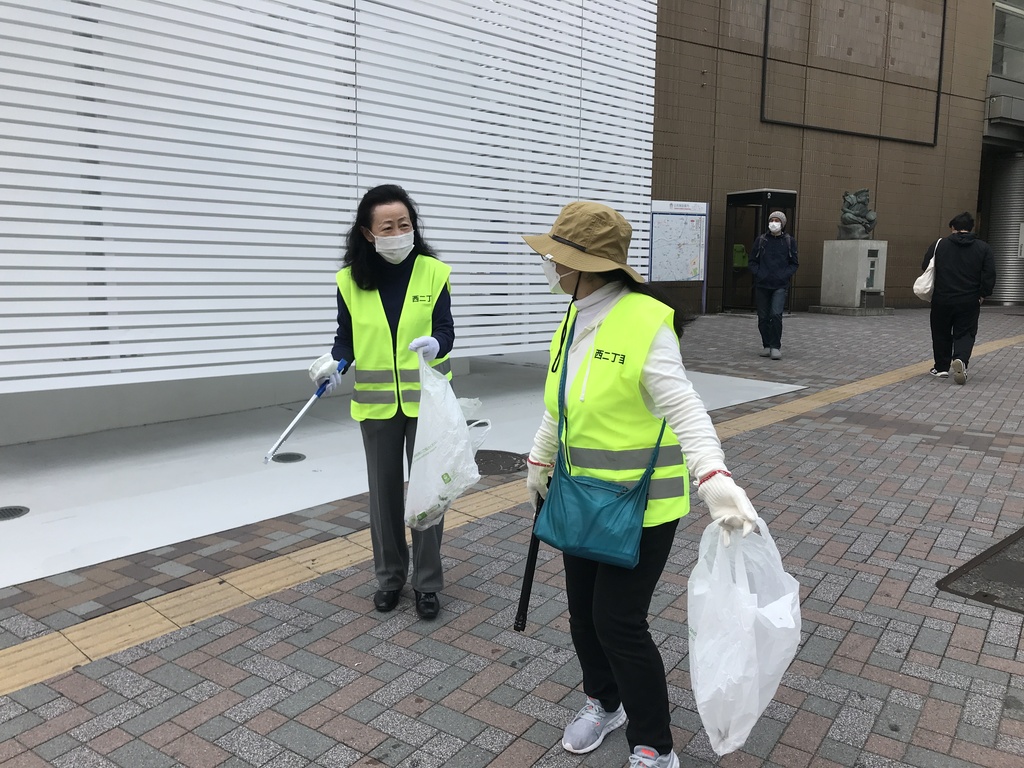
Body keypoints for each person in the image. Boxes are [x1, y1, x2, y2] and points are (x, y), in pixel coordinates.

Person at [521, 201, 758, 768]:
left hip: (643, 506)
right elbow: (561, 402)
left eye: (558, 258)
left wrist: (715, 478)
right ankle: (605, 703)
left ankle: (654, 745)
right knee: (582, 612)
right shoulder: (575, 316)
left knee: (618, 622)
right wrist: (539, 457)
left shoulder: (644, 320)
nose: (551, 267)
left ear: (587, 264)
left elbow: (685, 408)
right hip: (580, 498)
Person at [307, 184, 455, 620]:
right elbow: (346, 339)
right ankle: (389, 577)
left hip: (426, 402)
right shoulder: (350, 281)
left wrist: (437, 344)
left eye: (404, 224)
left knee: (428, 493)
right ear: (369, 233)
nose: (398, 231)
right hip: (376, 408)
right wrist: (334, 364)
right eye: (387, 226)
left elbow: (446, 328)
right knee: (383, 496)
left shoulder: (433, 272)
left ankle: (427, 583)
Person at [923, 211, 996, 385]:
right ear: (970, 229)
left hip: (942, 298)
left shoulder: (939, 245)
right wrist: (983, 294)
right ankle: (961, 360)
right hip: (969, 300)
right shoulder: (983, 248)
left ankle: (940, 368)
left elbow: (926, 266)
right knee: (965, 332)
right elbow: (989, 274)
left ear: (952, 227)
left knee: (941, 331)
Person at [749, 211, 798, 360]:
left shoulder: (789, 241)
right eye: (772, 220)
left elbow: (794, 263)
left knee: (776, 315)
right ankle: (767, 345)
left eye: (777, 220)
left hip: (780, 285)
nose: (774, 223)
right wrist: (759, 273)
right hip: (762, 284)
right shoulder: (761, 240)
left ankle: (775, 346)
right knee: (763, 317)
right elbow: (752, 261)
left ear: (782, 224)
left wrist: (784, 275)